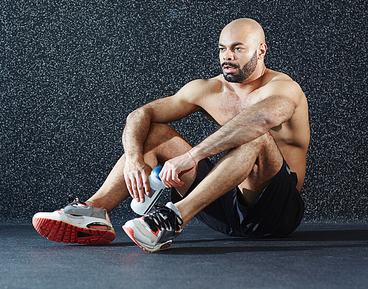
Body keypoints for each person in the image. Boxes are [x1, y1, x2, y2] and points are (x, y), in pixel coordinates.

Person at [32, 18, 310, 252]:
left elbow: (262, 118)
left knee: (256, 137)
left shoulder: (283, 88)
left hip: (275, 213)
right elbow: (140, 115)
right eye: (223, 49)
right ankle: (95, 211)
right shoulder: (207, 89)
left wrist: (191, 156)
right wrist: (134, 159)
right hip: (222, 207)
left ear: (261, 50)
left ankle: (173, 219)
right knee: (154, 134)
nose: (227, 56)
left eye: (238, 48)